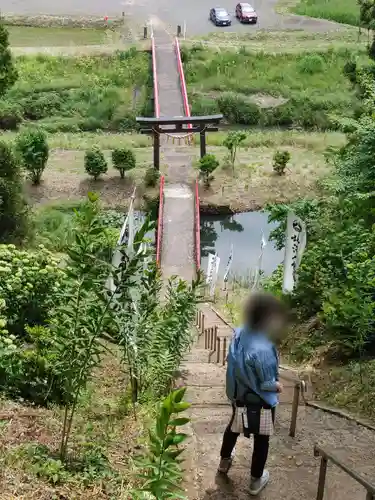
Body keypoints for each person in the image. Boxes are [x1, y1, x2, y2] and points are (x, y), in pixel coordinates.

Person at [218, 292, 287, 496]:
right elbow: (267, 383)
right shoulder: (263, 347)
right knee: (262, 438)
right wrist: (278, 386)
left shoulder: (240, 333)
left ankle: (224, 462)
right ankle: (256, 480)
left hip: (239, 395)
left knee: (233, 427)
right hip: (260, 401)